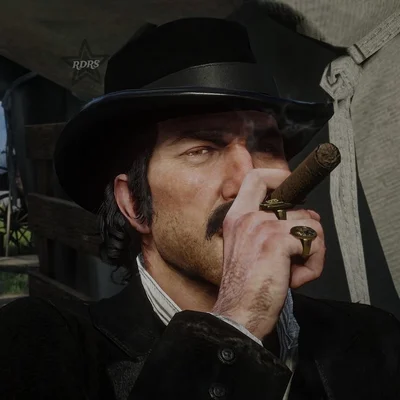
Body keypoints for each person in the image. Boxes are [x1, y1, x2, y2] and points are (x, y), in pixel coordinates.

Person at [0, 17, 399, 400]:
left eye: (266, 147)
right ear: (134, 203)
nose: (247, 177)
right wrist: (238, 323)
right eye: (202, 149)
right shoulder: (46, 348)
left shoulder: (374, 339)